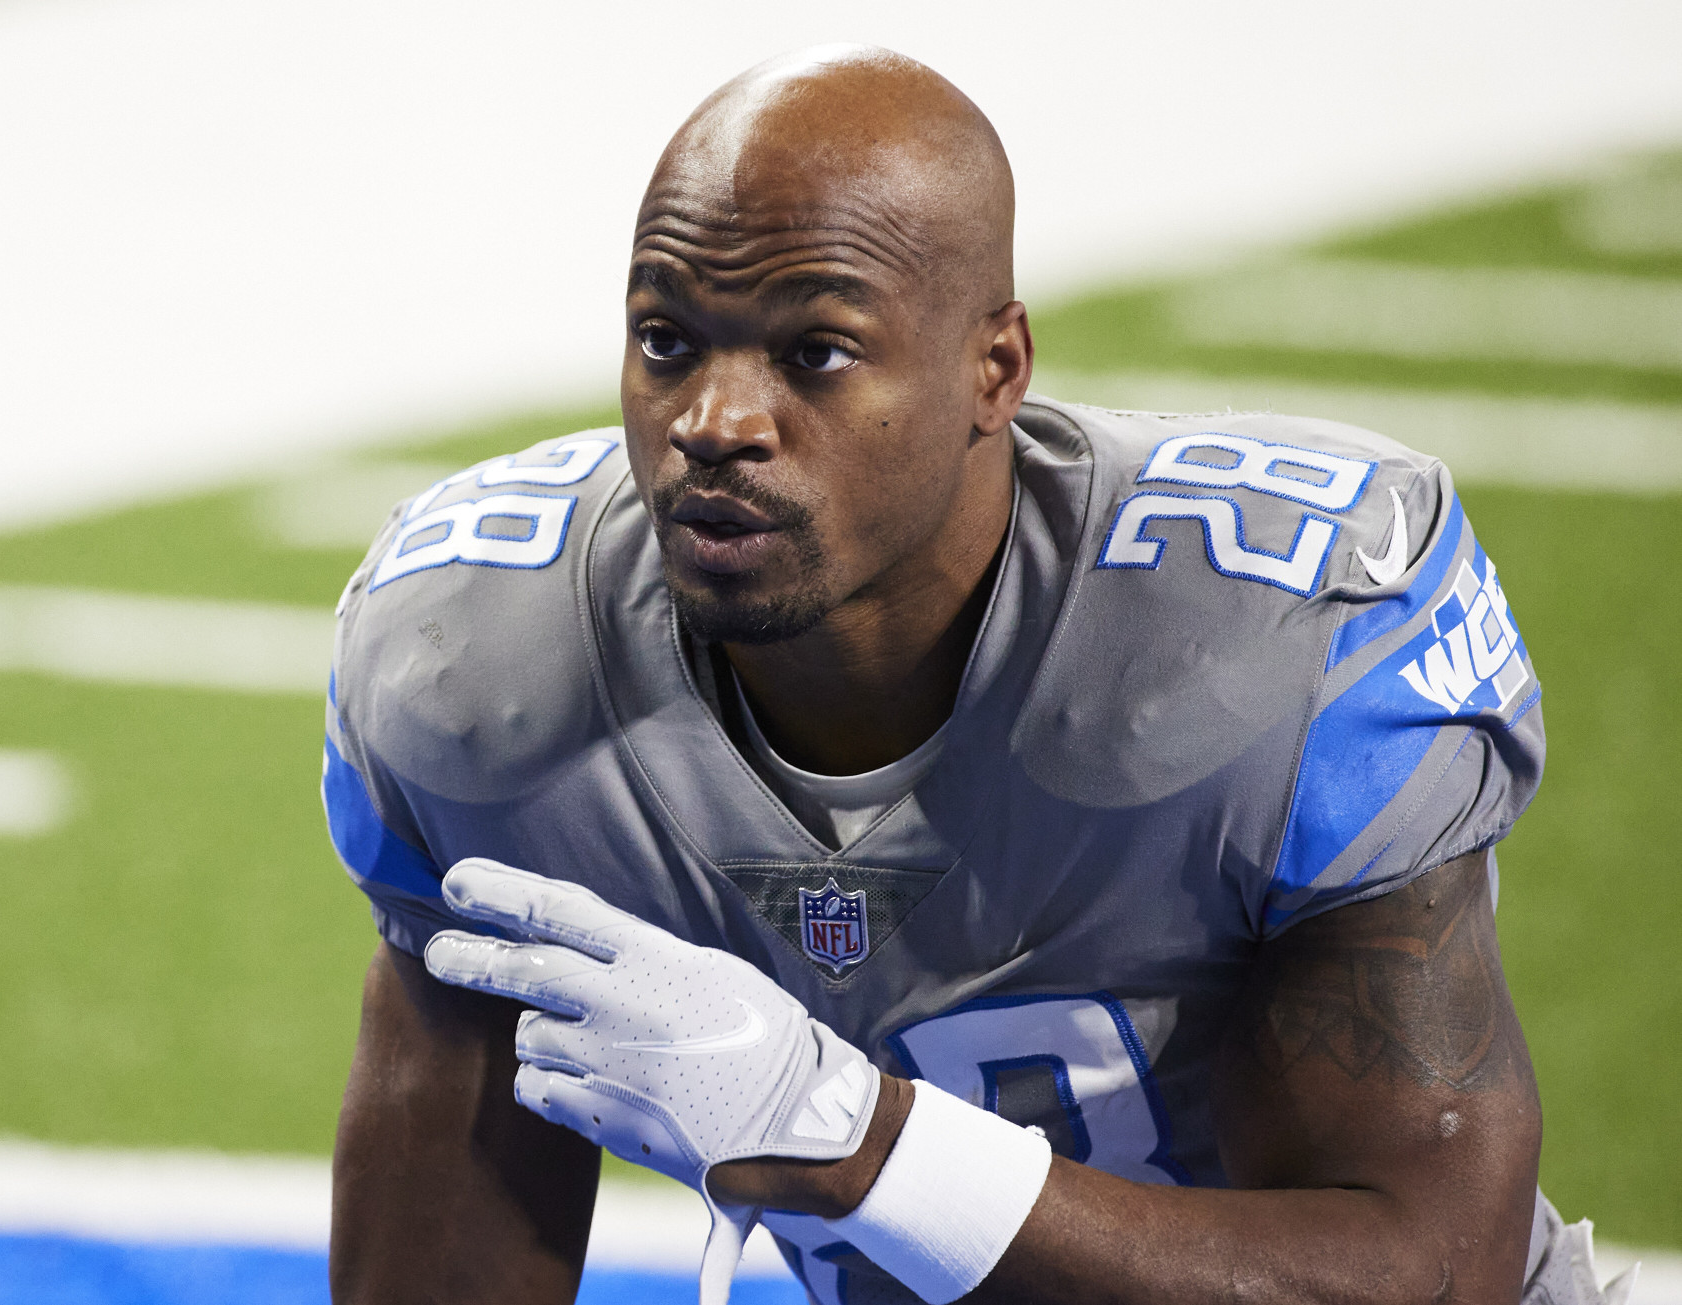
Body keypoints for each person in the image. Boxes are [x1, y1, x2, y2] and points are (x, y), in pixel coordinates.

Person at [322, 45, 1631, 1305]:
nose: (711, 422)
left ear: (991, 368)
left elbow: (1431, 1275)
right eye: (666, 339)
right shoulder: (478, 672)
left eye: (810, 352)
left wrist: (858, 1139)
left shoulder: (1261, 641)